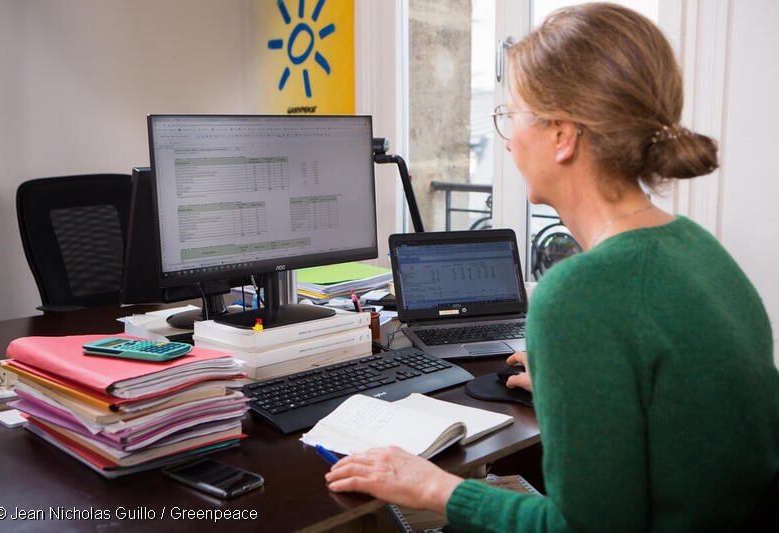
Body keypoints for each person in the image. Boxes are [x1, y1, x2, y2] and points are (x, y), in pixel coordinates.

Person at [324, 3, 779, 531]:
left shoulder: (579, 293)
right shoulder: (698, 248)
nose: (509, 138)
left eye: (512, 115)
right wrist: (585, 388)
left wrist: (433, 486)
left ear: (562, 135)